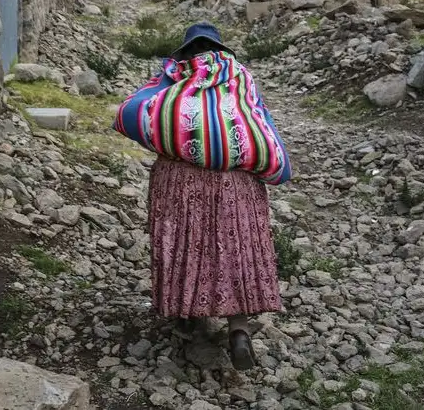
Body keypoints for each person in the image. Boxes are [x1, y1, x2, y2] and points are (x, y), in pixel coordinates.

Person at [113, 23, 292, 370]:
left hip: (180, 181)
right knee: (237, 247)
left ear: (185, 51)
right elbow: (260, 122)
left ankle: (192, 323)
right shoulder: (241, 79)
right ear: (222, 50)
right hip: (235, 182)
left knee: (185, 244)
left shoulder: (171, 78)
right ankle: (238, 328)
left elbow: (133, 113)